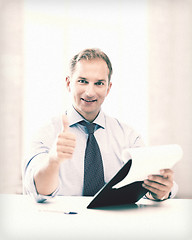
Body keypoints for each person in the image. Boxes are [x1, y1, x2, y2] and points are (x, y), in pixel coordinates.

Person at [23, 48, 177, 202]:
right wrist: (53, 161)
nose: (90, 92)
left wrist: (159, 190)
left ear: (108, 88)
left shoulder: (129, 137)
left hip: (114, 223)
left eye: (99, 83)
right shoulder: (45, 134)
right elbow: (39, 191)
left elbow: (146, 183)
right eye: (83, 81)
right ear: (69, 83)